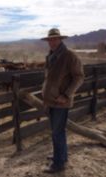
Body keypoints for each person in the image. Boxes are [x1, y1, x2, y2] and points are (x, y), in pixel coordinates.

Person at [41, 28, 84, 173]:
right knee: (58, 131)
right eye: (50, 40)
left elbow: (79, 77)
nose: (52, 42)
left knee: (57, 132)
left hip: (61, 101)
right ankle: (61, 156)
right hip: (51, 100)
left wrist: (66, 95)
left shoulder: (69, 56)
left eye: (55, 39)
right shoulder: (51, 56)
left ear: (60, 40)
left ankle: (58, 165)